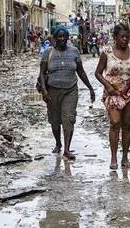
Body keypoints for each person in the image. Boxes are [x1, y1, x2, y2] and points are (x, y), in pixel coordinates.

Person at [38, 25, 96, 160]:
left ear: (68, 38)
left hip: (70, 90)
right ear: (55, 38)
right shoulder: (48, 52)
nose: (62, 39)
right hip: (52, 91)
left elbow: (80, 71)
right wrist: (45, 91)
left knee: (68, 119)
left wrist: (90, 88)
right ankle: (58, 143)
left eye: (64, 36)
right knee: (54, 120)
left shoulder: (74, 51)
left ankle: (67, 149)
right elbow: (41, 73)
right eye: (59, 36)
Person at [95, 23, 130, 170]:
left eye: (127, 37)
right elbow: (98, 72)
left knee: (127, 124)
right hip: (113, 93)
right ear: (115, 37)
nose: (125, 39)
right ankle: (114, 157)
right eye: (122, 37)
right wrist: (108, 86)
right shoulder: (107, 52)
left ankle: (125, 158)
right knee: (115, 123)